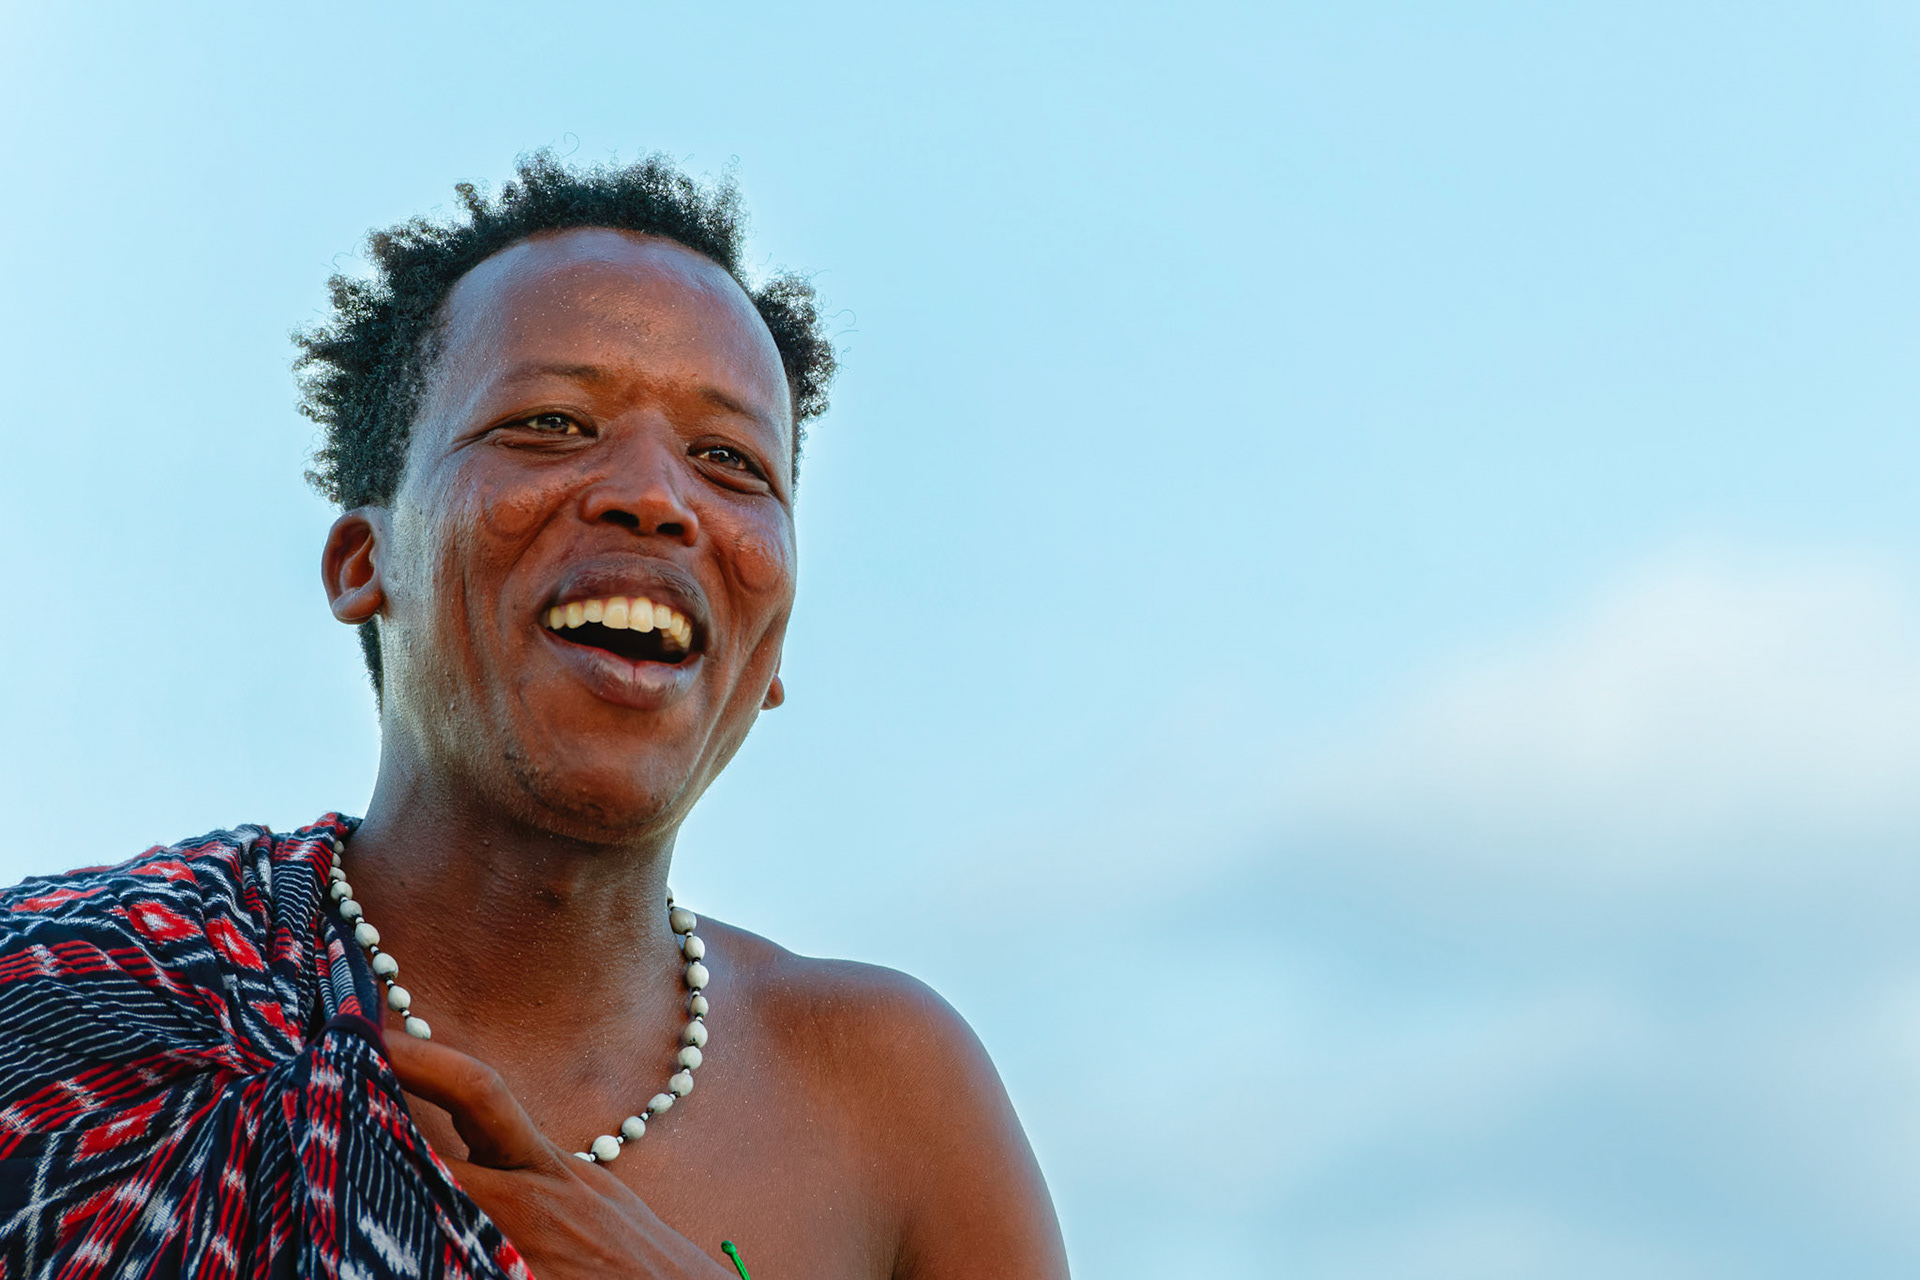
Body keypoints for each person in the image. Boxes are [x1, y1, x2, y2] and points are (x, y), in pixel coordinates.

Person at [0, 153, 1071, 1279]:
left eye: (729, 458)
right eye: (551, 422)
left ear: (773, 649)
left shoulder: (892, 1099)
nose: (656, 496)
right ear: (368, 561)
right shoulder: (66, 1015)